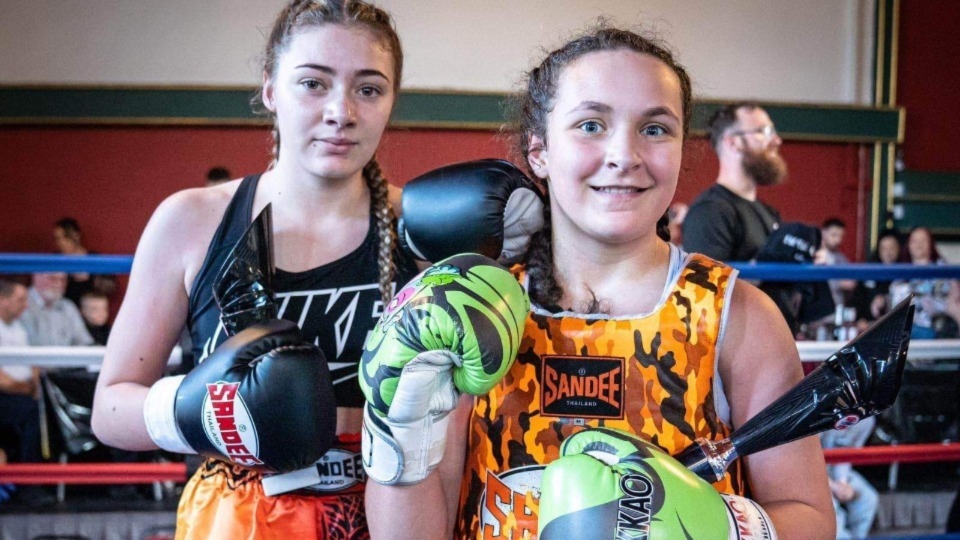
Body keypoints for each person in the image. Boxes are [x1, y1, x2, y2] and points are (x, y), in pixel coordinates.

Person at [364, 25, 834, 539]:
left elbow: (809, 517)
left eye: (654, 129)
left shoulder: (735, 316)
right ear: (539, 151)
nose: (624, 155)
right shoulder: (478, 314)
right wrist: (399, 435)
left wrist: (724, 529)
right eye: (591, 125)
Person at [90, 1, 420, 537]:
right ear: (270, 90)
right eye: (313, 83)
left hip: (389, 520)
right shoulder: (193, 221)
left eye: (368, 88)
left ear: (390, 103)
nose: (342, 111)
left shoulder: (423, 229)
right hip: (235, 522)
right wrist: (204, 410)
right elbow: (109, 412)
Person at [682, 102, 786, 262]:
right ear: (732, 143)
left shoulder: (769, 212)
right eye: (764, 131)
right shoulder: (709, 212)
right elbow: (702, 286)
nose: (776, 140)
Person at [0, 280, 53, 505]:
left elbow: (33, 362)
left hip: (23, 392)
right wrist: (26, 388)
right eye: (20, 299)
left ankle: (44, 479)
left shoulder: (21, 327)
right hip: (5, 395)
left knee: (47, 406)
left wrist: (33, 385)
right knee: (31, 412)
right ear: (3, 300)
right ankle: (28, 486)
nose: (25, 305)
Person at [889, 227, 960, 339]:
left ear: (930, 244)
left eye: (923, 240)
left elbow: (953, 303)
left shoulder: (944, 270)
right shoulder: (901, 274)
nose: (919, 245)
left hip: (939, 328)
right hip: (907, 332)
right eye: (915, 241)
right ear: (908, 245)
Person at [820, 417, 879, 539]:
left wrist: (842, 482)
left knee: (869, 498)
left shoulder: (867, 420)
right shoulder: (821, 412)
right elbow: (804, 462)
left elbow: (847, 454)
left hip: (833, 470)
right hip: (807, 473)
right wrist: (833, 486)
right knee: (831, 507)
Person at [53, 217, 117, 306]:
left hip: (92, 313)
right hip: (66, 314)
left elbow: (111, 287)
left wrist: (99, 282)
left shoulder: (94, 259)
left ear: (76, 236)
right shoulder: (56, 262)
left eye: (65, 237)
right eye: (57, 239)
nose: (60, 242)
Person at [20, 272, 94, 347]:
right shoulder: (20, 304)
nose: (58, 284)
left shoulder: (68, 307)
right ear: (36, 278)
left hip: (65, 358)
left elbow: (84, 342)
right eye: (53, 279)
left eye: (63, 280)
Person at [851, 229, 900, 329]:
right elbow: (857, 299)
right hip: (869, 328)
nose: (888, 252)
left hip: (897, 327)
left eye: (892, 248)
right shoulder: (869, 271)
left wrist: (885, 299)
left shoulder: (906, 272)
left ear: (898, 249)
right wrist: (860, 320)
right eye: (884, 248)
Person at [818, 217, 856, 308]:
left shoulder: (842, 259)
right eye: (834, 235)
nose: (838, 240)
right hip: (817, 310)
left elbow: (851, 281)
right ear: (823, 232)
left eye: (840, 236)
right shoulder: (813, 254)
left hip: (837, 309)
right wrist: (839, 283)